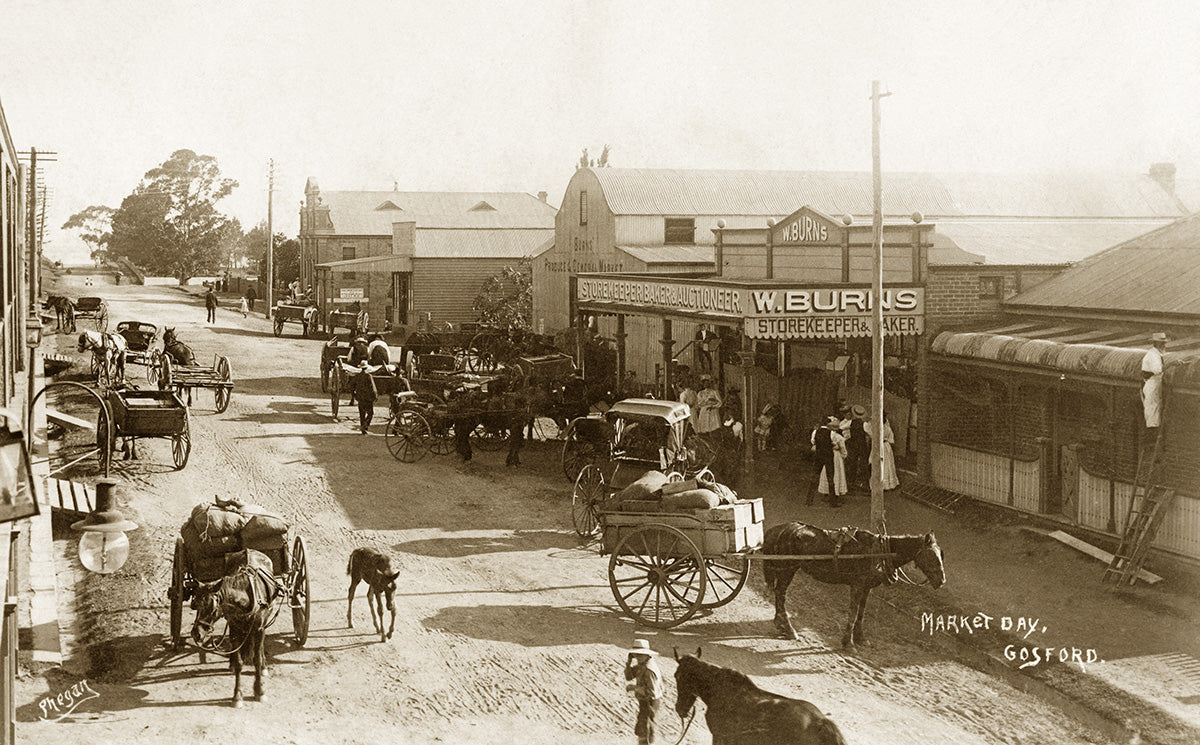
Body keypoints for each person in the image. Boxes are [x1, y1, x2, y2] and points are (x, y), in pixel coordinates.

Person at [623, 639, 662, 745]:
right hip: (645, 702)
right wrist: (629, 663)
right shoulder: (643, 664)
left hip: (650, 703)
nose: (638, 657)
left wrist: (634, 688)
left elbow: (651, 692)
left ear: (647, 655)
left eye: (641, 655)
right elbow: (629, 676)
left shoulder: (649, 669)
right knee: (642, 728)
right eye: (636, 655)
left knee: (645, 729)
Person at [808, 416, 848, 507]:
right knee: (831, 478)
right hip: (828, 457)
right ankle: (833, 502)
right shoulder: (832, 434)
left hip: (818, 456)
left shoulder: (815, 432)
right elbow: (833, 443)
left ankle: (809, 500)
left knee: (814, 476)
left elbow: (813, 442)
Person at [865, 412, 900, 490]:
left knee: (880, 464)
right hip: (886, 446)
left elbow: (868, 430)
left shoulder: (878, 428)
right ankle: (888, 484)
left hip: (880, 446)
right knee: (886, 464)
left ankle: (881, 484)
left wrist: (868, 421)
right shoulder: (887, 428)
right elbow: (891, 438)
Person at [1141, 332, 1167, 434]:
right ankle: (1152, 431)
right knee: (1153, 408)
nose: (1164, 345)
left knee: (1155, 408)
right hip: (1152, 384)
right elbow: (1157, 370)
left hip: (1156, 383)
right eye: (1161, 343)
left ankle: (1154, 428)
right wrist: (1172, 364)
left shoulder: (1156, 354)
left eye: (1164, 343)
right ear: (1156, 344)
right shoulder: (1153, 356)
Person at [844, 404, 870, 490]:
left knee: (853, 462)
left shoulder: (851, 422)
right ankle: (864, 483)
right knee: (863, 463)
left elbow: (841, 427)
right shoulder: (865, 424)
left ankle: (851, 481)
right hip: (861, 445)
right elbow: (871, 434)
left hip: (853, 444)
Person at [351, 361, 378, 434]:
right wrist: (375, 396)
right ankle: (366, 425)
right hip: (368, 398)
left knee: (362, 414)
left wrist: (354, 395)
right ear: (366, 368)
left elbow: (351, 386)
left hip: (360, 398)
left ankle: (363, 428)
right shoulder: (369, 376)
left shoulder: (357, 376)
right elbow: (373, 387)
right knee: (370, 413)